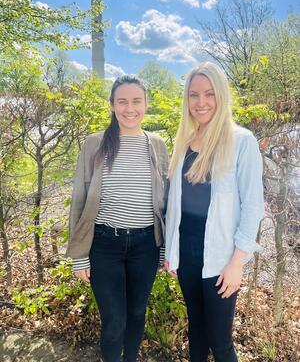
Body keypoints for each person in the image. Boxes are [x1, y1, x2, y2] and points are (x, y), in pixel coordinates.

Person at [164, 62, 264, 362]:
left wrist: (237, 263)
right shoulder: (184, 144)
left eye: (209, 94)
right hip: (187, 257)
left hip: (220, 260)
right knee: (196, 330)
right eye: (194, 95)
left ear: (221, 96)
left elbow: (253, 206)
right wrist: (171, 249)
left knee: (220, 341)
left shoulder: (241, 141)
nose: (201, 102)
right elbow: (175, 205)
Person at [66, 75, 168, 362]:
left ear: (146, 104)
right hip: (104, 245)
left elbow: (164, 201)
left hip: (146, 245)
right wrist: (78, 255)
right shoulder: (95, 144)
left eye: (136, 101)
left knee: (137, 315)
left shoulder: (157, 145)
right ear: (112, 105)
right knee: (114, 322)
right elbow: (78, 199)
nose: (129, 108)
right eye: (122, 101)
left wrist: (163, 247)